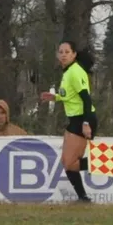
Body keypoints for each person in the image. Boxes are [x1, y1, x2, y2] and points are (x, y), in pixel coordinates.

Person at [40, 41, 97, 203]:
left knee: (71, 163)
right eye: (61, 52)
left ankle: (104, 162)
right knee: (68, 163)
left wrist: (86, 123)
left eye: (67, 52)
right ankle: (83, 198)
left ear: (74, 55)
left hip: (83, 118)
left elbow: (86, 99)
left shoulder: (75, 72)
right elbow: (71, 96)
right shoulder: (68, 72)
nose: (63, 55)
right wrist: (56, 97)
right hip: (75, 119)